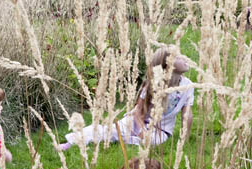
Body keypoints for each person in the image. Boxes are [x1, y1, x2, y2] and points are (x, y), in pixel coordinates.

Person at [58, 47, 193, 151]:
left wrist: (184, 140)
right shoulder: (153, 84)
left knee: (151, 141)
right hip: (136, 122)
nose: (185, 58)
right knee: (107, 130)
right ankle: (71, 142)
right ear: (167, 65)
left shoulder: (187, 86)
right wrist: (141, 130)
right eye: (179, 57)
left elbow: (187, 115)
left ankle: (128, 139)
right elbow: (139, 110)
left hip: (160, 130)